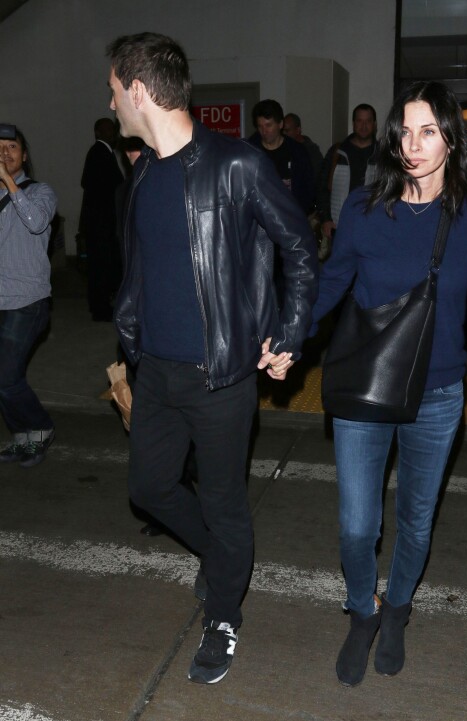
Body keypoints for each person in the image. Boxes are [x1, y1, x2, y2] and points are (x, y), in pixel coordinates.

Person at [310, 80, 467, 687]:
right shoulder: (365, 209)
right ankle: (362, 612)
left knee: (417, 521)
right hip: (366, 385)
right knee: (358, 526)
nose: (413, 145)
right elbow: (330, 282)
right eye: (405, 131)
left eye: (428, 132)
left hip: (440, 393)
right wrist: (284, 337)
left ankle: (397, 611)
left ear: (451, 138)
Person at [106, 32, 317, 685]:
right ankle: (226, 559)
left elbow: (301, 251)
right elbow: (141, 270)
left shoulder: (237, 165)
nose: (110, 102)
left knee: (225, 502)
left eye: (113, 91)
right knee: (149, 488)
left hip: (221, 373)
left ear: (138, 91)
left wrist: (287, 334)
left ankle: (224, 613)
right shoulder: (141, 172)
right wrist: (130, 335)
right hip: (157, 370)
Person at [0, 125, 57, 467]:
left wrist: (9, 183)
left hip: (27, 303)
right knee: (6, 378)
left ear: (24, 154)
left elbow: (36, 223)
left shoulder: (41, 192)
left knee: (5, 377)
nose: (4, 153)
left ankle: (41, 428)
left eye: (12, 147)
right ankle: (23, 437)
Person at [316, 103, 378, 257]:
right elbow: (322, 187)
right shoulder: (337, 152)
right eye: (359, 121)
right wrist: (325, 219)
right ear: (353, 123)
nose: (363, 126)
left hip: (371, 227)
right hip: (340, 226)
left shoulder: (382, 155)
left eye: (368, 121)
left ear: (374, 124)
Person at [79, 117, 124, 321]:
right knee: (100, 267)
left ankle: (100, 305)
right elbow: (103, 186)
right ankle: (100, 309)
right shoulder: (100, 153)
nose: (112, 134)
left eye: (113, 130)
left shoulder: (102, 153)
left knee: (101, 266)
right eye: (108, 130)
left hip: (99, 223)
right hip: (100, 224)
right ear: (98, 132)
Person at [248, 99, 314, 214]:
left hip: (291, 217)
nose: (264, 131)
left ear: (280, 124)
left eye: (268, 125)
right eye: (260, 126)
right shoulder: (250, 151)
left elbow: (308, 188)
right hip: (258, 219)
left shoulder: (297, 152)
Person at [283, 112, 324, 181]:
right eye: (282, 131)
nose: (284, 134)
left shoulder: (311, 151)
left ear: (298, 130)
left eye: (287, 130)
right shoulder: (284, 147)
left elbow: (315, 177)